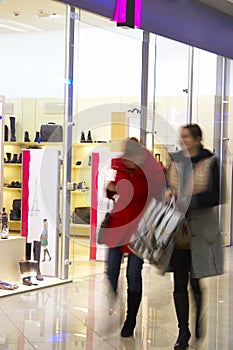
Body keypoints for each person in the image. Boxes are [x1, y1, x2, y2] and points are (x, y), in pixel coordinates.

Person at [165, 124, 223, 350]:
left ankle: (198, 315)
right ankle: (183, 331)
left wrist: (189, 199)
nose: (183, 140)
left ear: (198, 139)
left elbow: (216, 195)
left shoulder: (211, 162)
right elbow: (165, 187)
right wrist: (169, 194)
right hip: (179, 229)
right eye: (182, 136)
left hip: (201, 230)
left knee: (196, 280)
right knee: (179, 279)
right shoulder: (176, 160)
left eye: (187, 137)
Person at [101, 137, 166, 337]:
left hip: (140, 229)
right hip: (118, 225)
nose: (127, 161)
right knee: (111, 270)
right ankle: (114, 294)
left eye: (131, 158)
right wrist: (110, 190)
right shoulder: (120, 167)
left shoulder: (151, 173)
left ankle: (131, 319)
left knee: (133, 275)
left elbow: (150, 197)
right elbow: (112, 191)